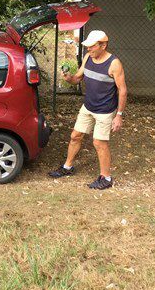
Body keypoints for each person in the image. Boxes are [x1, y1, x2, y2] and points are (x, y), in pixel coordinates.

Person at [49, 30, 127, 190]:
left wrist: (119, 115)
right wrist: (69, 78)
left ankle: (106, 178)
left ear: (103, 45)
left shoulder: (114, 64)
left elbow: (123, 90)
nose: (88, 50)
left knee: (99, 142)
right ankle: (67, 167)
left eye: (92, 47)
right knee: (75, 136)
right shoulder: (88, 58)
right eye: (87, 47)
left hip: (104, 111)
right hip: (88, 106)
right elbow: (78, 77)